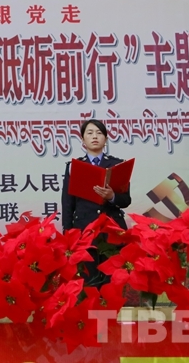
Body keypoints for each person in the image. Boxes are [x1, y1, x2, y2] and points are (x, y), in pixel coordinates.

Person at [61, 119, 131, 284]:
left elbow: (126, 200)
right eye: (90, 133)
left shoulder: (117, 164)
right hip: (84, 231)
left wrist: (112, 196)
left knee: (112, 284)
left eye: (99, 133)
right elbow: (68, 203)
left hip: (112, 232)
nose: (95, 137)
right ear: (83, 140)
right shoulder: (74, 166)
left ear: (105, 139)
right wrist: (68, 235)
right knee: (89, 283)